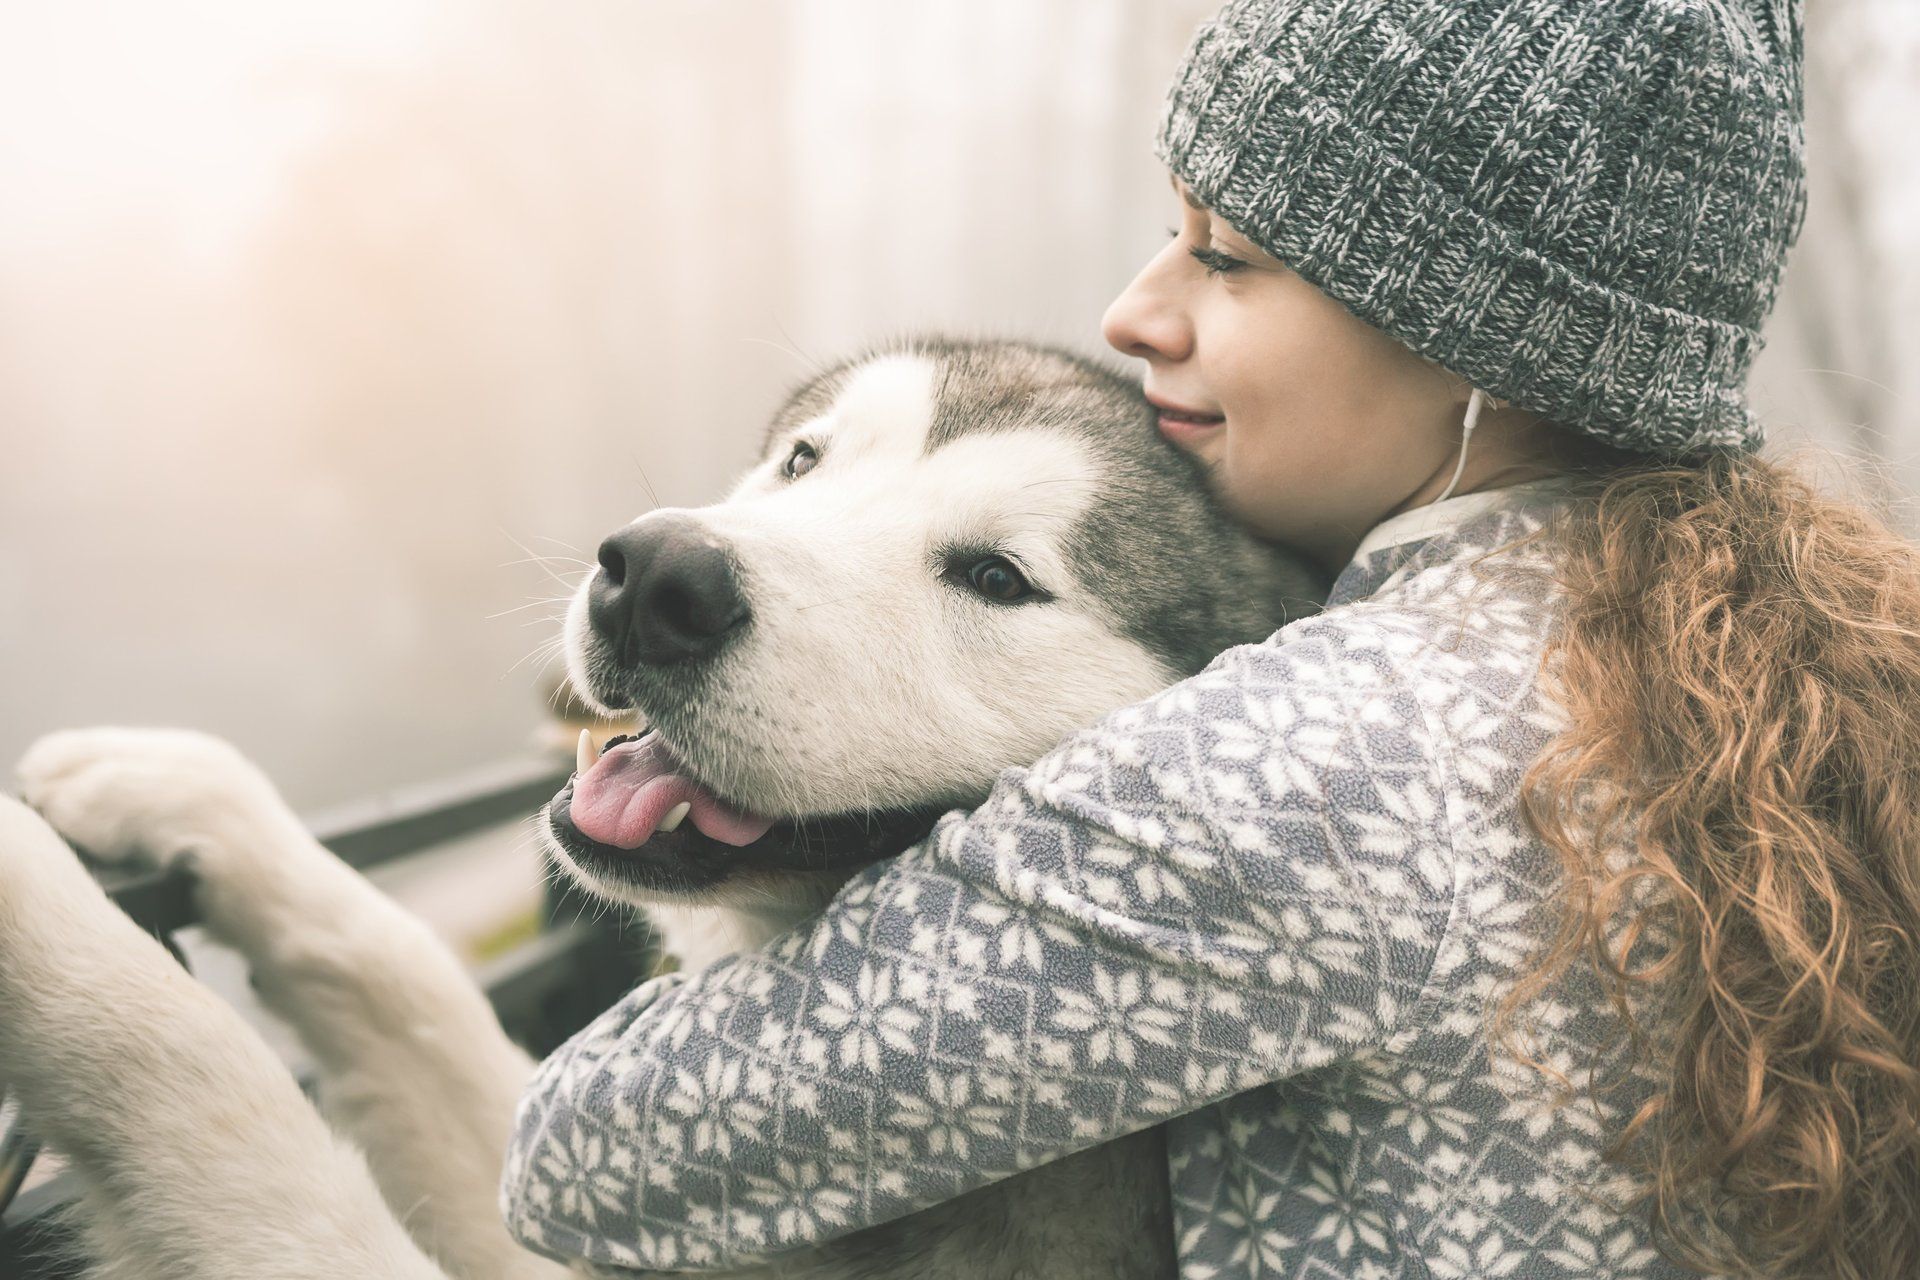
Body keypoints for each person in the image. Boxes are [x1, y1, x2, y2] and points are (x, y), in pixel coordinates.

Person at [502, 2, 1920, 1277]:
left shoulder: (1313, 768)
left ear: (1477, 345)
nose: (1134, 312)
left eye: (1225, 259)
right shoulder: (1718, 674)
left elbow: (584, 1161)